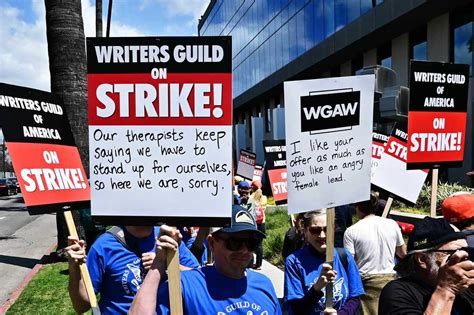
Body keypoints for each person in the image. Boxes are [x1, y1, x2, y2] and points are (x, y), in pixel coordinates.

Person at [129, 205, 282, 314]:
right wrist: (159, 264)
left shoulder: (265, 285)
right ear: (212, 244)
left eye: (251, 243)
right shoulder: (185, 285)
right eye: (234, 242)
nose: (244, 250)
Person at [66, 225, 199, 314]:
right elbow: (81, 306)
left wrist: (166, 266)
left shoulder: (167, 237)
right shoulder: (104, 245)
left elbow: (198, 279)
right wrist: (74, 269)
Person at [379, 217, 474, 314]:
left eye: (466, 252)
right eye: (454, 253)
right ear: (423, 259)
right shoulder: (398, 292)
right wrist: (446, 290)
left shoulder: (464, 290)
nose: (463, 259)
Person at [284, 210, 364, 315]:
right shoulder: (294, 262)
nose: (322, 235)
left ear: (334, 229)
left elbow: (355, 297)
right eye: (315, 230)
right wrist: (316, 288)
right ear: (306, 230)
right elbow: (296, 308)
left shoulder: (345, 256)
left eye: (327, 229)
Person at [343, 192, 406, 315]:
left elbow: (349, 263)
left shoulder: (351, 231)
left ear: (358, 207)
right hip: (391, 280)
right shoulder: (392, 224)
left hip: (366, 283)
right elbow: (402, 253)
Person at [249, 180, 267, 269]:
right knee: (259, 244)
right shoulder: (264, 198)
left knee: (250, 243)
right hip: (262, 222)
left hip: (253, 223)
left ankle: (250, 263)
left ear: (253, 187)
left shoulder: (251, 197)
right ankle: (259, 264)